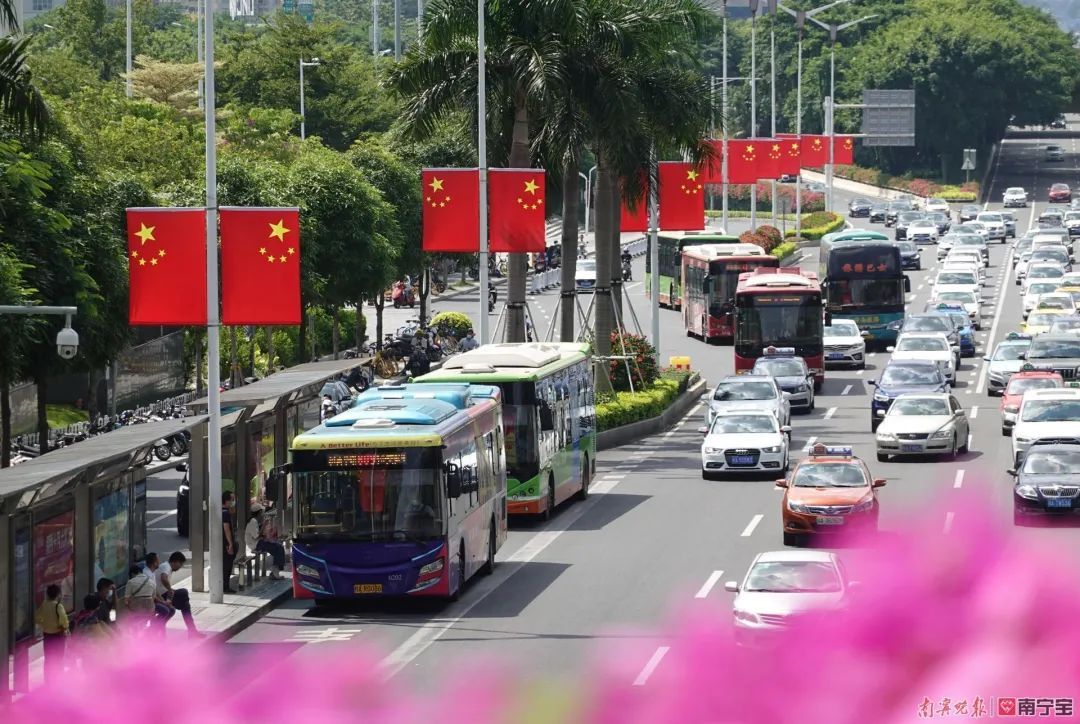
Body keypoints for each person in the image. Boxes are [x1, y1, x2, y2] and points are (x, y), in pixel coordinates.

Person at [153, 552, 204, 638]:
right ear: (175, 562)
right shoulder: (166, 566)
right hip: (160, 596)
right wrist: (170, 589)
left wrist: (170, 590)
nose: (180, 567)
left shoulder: (165, 566)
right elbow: (163, 578)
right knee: (184, 593)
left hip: (162, 594)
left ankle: (192, 631)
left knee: (185, 604)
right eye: (180, 564)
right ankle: (192, 631)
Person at [34, 584, 68, 683]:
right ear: (58, 594)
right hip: (58, 636)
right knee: (59, 658)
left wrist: (44, 623)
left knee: (48, 659)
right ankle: (59, 680)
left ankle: (48, 681)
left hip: (47, 636)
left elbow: (37, 617)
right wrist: (63, 627)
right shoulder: (58, 606)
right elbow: (64, 621)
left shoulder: (44, 604)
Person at [245, 506, 286, 580]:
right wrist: (264, 525)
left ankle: (275, 571)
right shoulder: (253, 521)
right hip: (256, 544)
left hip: (258, 542)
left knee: (278, 546)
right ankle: (275, 572)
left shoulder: (254, 521)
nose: (262, 514)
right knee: (278, 548)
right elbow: (256, 536)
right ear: (259, 512)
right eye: (262, 512)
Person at [123, 563, 157, 635]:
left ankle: (134, 632)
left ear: (132, 573)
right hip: (150, 609)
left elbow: (126, 600)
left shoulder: (131, 582)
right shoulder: (152, 581)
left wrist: (128, 608)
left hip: (136, 609)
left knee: (127, 613)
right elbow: (154, 597)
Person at [222, 491, 237, 594]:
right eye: (232, 499)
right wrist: (230, 543)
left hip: (223, 543)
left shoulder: (224, 511)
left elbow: (233, 511)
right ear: (226, 500)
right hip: (226, 544)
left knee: (226, 566)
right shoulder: (225, 513)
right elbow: (226, 529)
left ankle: (225, 585)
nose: (233, 502)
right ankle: (225, 586)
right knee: (227, 566)